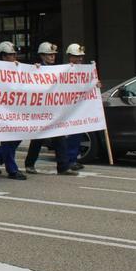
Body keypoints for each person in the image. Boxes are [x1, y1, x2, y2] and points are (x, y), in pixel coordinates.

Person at [23, 43, 77, 176]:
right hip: (41, 110)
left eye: (53, 55)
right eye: (49, 55)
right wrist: (34, 70)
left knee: (59, 137)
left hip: (54, 110)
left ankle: (63, 166)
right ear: (42, 56)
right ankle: (29, 163)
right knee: (38, 138)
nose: (52, 57)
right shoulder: (36, 68)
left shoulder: (57, 70)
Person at [0, 42, 27, 180]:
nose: (14, 56)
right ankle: (12, 170)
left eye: (14, 54)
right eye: (10, 55)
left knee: (18, 136)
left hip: (17, 109)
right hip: (3, 110)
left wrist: (36, 69)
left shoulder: (18, 68)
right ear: (3, 56)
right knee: (8, 140)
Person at [64, 43, 90, 171]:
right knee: (69, 137)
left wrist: (95, 85)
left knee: (77, 135)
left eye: (81, 57)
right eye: (76, 56)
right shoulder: (64, 70)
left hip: (78, 109)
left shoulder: (84, 71)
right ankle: (68, 161)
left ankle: (73, 159)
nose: (80, 59)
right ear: (70, 56)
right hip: (67, 109)